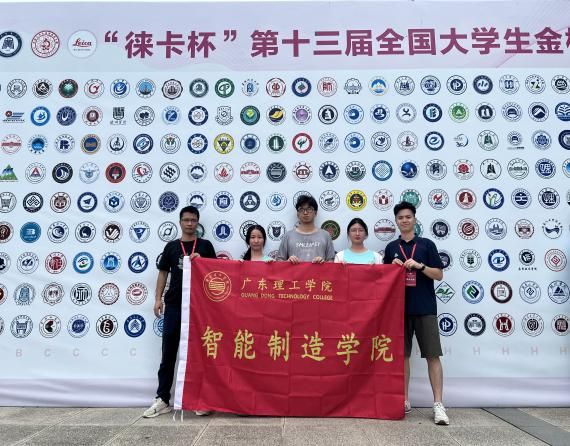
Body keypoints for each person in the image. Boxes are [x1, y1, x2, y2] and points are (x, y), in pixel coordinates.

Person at [143, 205, 217, 418]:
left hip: (199, 307)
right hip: (174, 305)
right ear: (180, 222)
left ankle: (199, 399)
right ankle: (162, 398)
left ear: (198, 222)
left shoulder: (205, 245)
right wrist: (158, 299)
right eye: (186, 220)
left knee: (199, 353)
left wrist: (202, 261)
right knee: (168, 352)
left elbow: (216, 273)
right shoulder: (171, 247)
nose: (190, 223)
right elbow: (163, 273)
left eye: (193, 220)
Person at [382, 202, 449, 425]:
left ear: (415, 219)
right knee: (402, 356)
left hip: (425, 308)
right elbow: (383, 280)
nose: (404, 220)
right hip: (398, 310)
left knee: (432, 355)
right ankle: (403, 400)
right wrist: (391, 266)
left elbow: (438, 275)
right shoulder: (391, 247)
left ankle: (438, 404)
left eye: (408, 217)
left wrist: (420, 266)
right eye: (400, 217)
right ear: (396, 221)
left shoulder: (427, 244)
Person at [277, 194, 335, 263]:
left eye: (309, 209)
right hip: (295, 271)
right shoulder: (288, 236)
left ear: (315, 213)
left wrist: (323, 263)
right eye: (301, 209)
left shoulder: (325, 235)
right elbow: (279, 261)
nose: (305, 212)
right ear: (297, 214)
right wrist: (288, 262)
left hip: (319, 271)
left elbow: (331, 261)